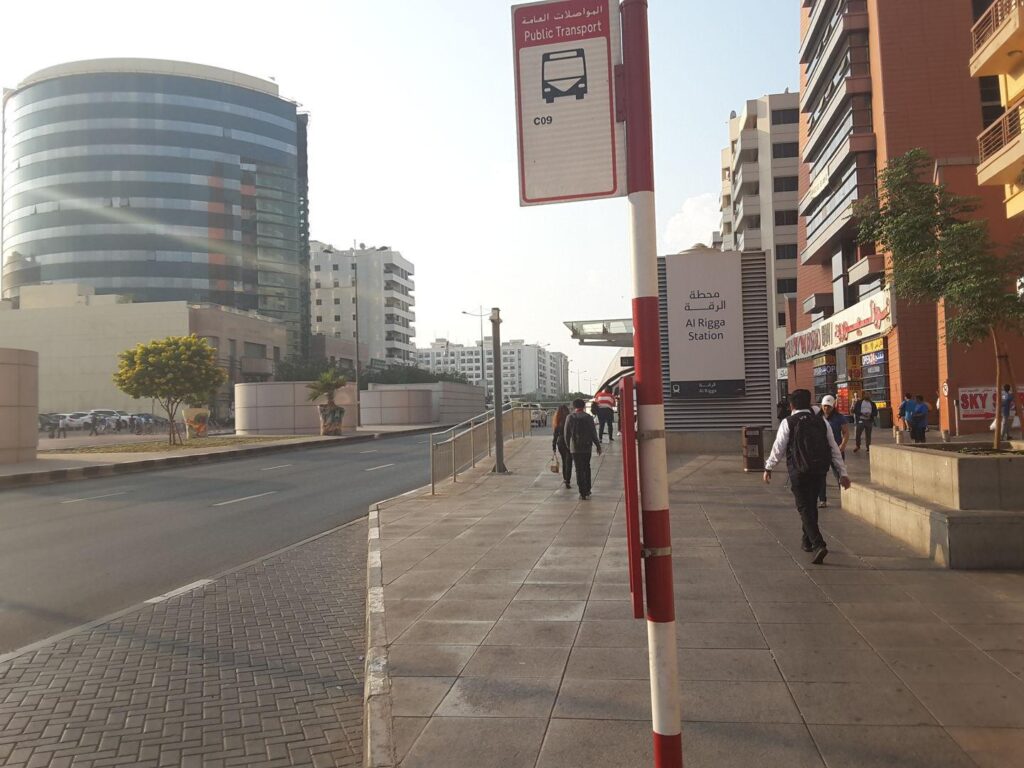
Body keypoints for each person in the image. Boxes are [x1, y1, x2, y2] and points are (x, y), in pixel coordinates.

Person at [764, 388, 851, 564]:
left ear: (791, 405)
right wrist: (843, 473)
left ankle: (818, 544)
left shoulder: (789, 422)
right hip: (819, 470)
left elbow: (778, 448)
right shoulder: (821, 422)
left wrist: (769, 467)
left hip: (799, 470)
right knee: (811, 505)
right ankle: (807, 541)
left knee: (804, 507)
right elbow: (834, 448)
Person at [564, 398, 602, 500]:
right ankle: (588, 488)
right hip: (586, 446)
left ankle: (582, 491)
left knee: (578, 469)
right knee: (586, 467)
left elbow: (566, 434)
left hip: (574, 448)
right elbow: (593, 433)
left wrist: (568, 446)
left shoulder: (570, 417)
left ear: (573, 406)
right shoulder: (588, 417)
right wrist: (598, 445)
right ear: (584, 406)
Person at [817, 395, 848, 508]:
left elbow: (845, 432)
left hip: (836, 450)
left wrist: (843, 445)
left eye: (829, 407)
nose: (826, 408)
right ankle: (822, 500)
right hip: (821, 451)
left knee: (839, 473)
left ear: (833, 406)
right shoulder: (817, 417)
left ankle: (844, 496)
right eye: (825, 406)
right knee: (821, 476)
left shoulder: (839, 417)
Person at [551, 404, 573, 489]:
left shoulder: (558, 421)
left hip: (560, 442)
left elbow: (555, 435)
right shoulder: (570, 420)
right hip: (569, 442)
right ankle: (568, 479)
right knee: (569, 461)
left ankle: (565, 478)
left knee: (564, 460)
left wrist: (553, 446)